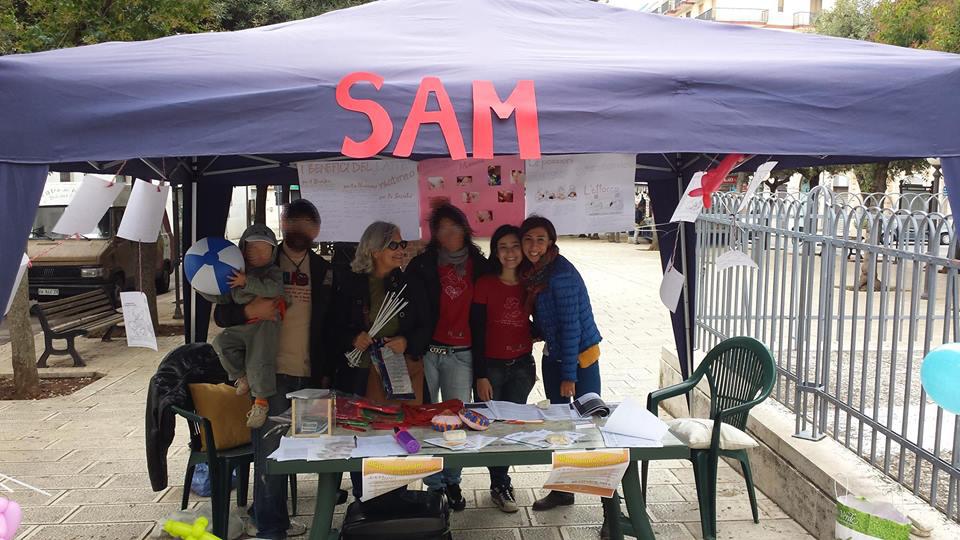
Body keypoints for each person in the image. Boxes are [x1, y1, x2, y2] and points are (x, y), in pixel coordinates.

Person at [213, 199, 336, 540]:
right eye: (293, 223)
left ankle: (275, 517)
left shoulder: (324, 269)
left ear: (316, 230)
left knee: (314, 452)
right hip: (269, 374)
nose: (299, 231)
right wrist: (249, 311)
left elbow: (329, 324)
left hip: (311, 374)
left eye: (307, 225)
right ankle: (270, 528)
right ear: (283, 224)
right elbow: (221, 315)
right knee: (271, 454)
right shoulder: (259, 262)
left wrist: (327, 371)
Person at [520, 216, 610, 537]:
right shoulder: (534, 273)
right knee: (559, 427)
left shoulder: (561, 275)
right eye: (528, 239)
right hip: (554, 355)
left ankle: (610, 510)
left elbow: (572, 328)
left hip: (579, 359)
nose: (533, 246)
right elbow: (548, 318)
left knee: (592, 432)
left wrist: (569, 376)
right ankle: (562, 489)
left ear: (550, 242)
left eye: (540, 240)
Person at [330, 221, 431, 499]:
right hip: (360, 374)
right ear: (374, 250)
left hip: (397, 373)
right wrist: (353, 338)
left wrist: (406, 341)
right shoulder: (350, 283)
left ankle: (396, 498)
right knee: (364, 438)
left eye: (402, 244)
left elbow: (426, 326)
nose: (401, 250)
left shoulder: (409, 284)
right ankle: (366, 499)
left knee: (397, 435)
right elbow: (331, 327)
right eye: (393, 245)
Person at [405, 202, 489, 511]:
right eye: (443, 229)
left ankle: (453, 481)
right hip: (428, 353)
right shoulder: (423, 265)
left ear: (466, 230)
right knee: (427, 418)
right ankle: (434, 485)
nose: (450, 234)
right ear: (435, 234)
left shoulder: (480, 266)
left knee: (457, 420)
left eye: (455, 228)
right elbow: (409, 308)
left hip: (462, 355)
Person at [471, 225, 534, 513]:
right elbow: (477, 330)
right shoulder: (485, 284)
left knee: (510, 428)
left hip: (522, 366)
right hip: (492, 368)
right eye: (503, 247)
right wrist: (480, 375)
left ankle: (502, 481)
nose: (510, 253)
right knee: (492, 427)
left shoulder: (530, 283)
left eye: (515, 246)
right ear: (495, 252)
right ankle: (499, 484)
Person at [201, 223, 285, 428]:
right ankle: (241, 376)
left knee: (259, 360)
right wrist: (202, 286)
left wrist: (246, 282)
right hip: (243, 325)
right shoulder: (236, 272)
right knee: (221, 343)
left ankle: (261, 403)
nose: (258, 253)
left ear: (273, 252)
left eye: (265, 249)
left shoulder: (272, 272)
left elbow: (273, 289)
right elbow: (222, 297)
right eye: (252, 248)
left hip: (264, 326)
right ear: (243, 249)